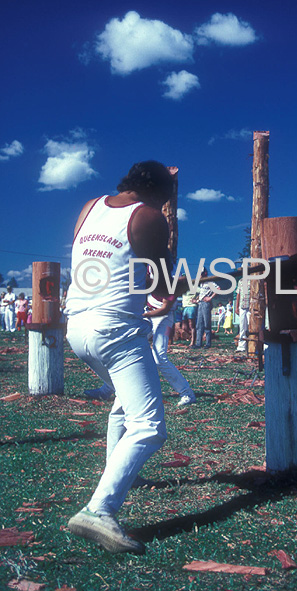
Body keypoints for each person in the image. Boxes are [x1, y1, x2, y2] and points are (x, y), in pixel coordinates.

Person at [65, 161, 189, 554]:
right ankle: (100, 509)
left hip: (78, 327)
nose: (169, 204)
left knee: (124, 402)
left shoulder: (90, 206)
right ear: (158, 191)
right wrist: (200, 281)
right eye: (169, 195)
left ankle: (112, 477)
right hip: (116, 330)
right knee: (150, 426)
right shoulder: (149, 217)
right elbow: (160, 283)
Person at [86, 292, 196, 407]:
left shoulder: (170, 278)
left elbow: (165, 308)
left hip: (164, 317)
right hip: (148, 313)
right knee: (126, 347)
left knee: (159, 358)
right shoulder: (147, 274)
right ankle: (106, 391)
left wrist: (143, 315)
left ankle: (187, 394)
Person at [192, 268, 219, 349]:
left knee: (207, 323)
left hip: (206, 304)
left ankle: (208, 343)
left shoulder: (210, 282)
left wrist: (210, 298)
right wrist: (196, 300)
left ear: (205, 274)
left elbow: (218, 289)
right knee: (199, 324)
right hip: (200, 303)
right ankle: (198, 343)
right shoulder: (202, 283)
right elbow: (202, 294)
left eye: (201, 274)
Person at [235, 278, 250, 352]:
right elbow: (238, 294)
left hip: (251, 306)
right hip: (242, 306)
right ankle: (241, 346)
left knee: (251, 327)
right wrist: (237, 307)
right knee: (242, 327)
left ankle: (253, 345)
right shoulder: (240, 281)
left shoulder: (253, 280)